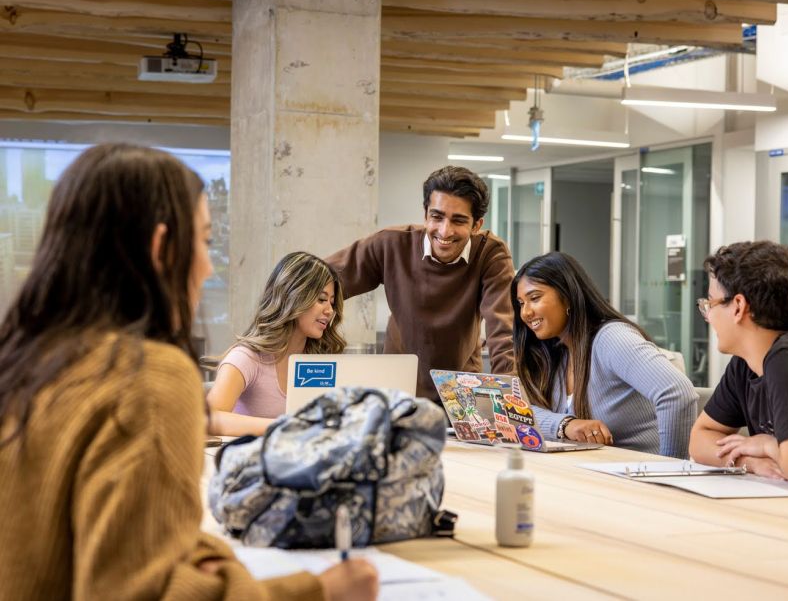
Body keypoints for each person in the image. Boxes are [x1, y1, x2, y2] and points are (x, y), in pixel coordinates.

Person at [0, 144, 377, 601]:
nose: (207, 265)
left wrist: (195, 551)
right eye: (204, 240)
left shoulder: (24, 360)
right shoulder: (149, 379)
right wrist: (318, 591)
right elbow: (140, 592)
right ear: (162, 248)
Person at [326, 165, 515, 402]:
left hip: (462, 394)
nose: (445, 231)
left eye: (458, 220)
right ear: (425, 214)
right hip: (398, 389)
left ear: (476, 225)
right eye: (437, 217)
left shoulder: (491, 254)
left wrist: (509, 405)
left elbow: (504, 332)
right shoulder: (392, 245)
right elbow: (319, 280)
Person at [512, 252, 697, 458]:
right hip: (593, 473)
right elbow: (519, 412)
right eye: (521, 303)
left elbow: (677, 393)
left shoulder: (611, 338)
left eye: (535, 298)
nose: (525, 313)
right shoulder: (556, 353)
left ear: (568, 296)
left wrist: (670, 470)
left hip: (638, 480)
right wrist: (566, 425)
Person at [688, 241, 788, 489]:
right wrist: (748, 461)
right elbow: (700, 438)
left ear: (738, 306)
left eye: (710, 304)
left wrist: (767, 445)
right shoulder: (746, 364)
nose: (708, 317)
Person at [206, 252, 345, 436]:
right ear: (292, 296)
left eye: (332, 303)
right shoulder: (246, 357)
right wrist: (285, 427)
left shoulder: (322, 359)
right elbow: (209, 419)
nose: (329, 310)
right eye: (321, 299)